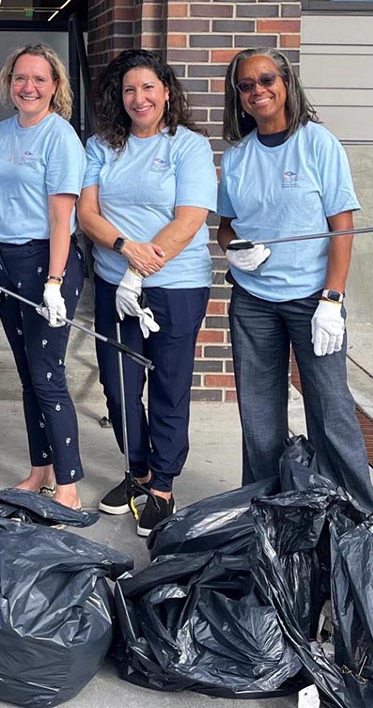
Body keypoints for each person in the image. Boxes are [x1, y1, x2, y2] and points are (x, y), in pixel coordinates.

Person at [217, 47, 373, 512]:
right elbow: (226, 226)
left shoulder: (318, 144)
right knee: (259, 415)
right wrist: (234, 249)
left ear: (286, 83)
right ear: (238, 97)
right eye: (245, 86)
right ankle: (268, 511)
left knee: (331, 410)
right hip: (253, 301)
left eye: (266, 79)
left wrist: (332, 298)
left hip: (313, 298)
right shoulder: (237, 158)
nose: (257, 91)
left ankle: (357, 517)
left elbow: (341, 226)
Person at [78, 49, 217, 536]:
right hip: (116, 287)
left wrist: (143, 267)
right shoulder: (101, 146)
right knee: (118, 388)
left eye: (148, 88)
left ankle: (162, 485)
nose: (139, 98)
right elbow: (87, 213)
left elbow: (190, 218)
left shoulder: (188, 147)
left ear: (166, 92)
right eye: (129, 90)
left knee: (168, 388)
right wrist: (123, 250)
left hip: (176, 287)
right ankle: (136, 472)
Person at [0, 44, 86, 511]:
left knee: (48, 374)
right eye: (21, 78)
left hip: (48, 263)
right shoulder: (1, 134)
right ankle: (40, 469)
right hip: (7, 261)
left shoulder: (60, 137)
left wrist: (55, 282)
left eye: (40, 79)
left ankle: (69, 484)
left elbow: (62, 219)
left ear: (55, 86)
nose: (29, 87)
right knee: (28, 376)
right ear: (9, 82)